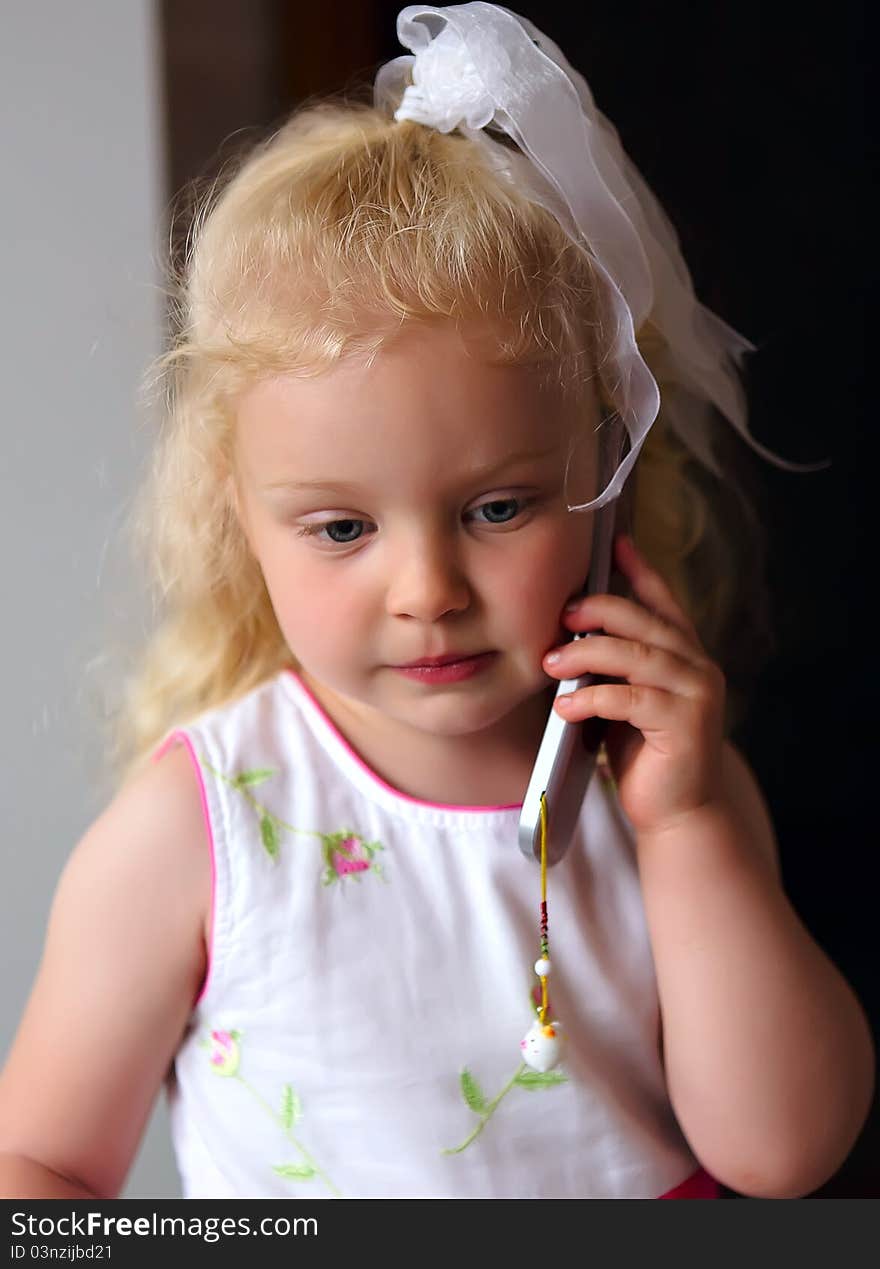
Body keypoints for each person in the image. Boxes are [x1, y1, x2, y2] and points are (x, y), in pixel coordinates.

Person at [0, 3, 873, 1200]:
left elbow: (783, 1156)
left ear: (605, 489)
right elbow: (39, 1162)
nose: (426, 593)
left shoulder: (667, 786)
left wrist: (688, 830)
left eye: (497, 509)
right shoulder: (197, 829)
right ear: (238, 521)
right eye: (343, 528)